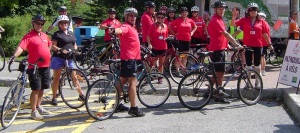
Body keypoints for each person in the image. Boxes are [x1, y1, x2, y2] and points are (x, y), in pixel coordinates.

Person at [9, 14, 51, 120]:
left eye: (41, 23)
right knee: (36, 89)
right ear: (33, 23)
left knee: (42, 88)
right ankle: (33, 111)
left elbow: (49, 44)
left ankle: (38, 106)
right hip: (34, 66)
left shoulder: (45, 36)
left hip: (45, 66)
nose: (40, 25)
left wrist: (48, 53)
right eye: (37, 23)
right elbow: (21, 47)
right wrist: (14, 56)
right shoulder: (28, 36)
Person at [109, 7, 145, 117]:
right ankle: (133, 108)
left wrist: (141, 48)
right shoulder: (126, 26)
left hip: (130, 58)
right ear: (126, 17)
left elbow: (132, 41)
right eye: (130, 15)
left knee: (122, 81)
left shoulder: (133, 28)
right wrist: (114, 30)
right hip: (130, 59)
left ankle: (116, 104)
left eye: (134, 16)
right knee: (133, 82)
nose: (133, 17)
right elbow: (120, 30)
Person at [231, 3, 273, 87]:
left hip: (258, 45)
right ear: (248, 11)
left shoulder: (262, 21)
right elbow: (233, 24)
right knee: (248, 65)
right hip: (248, 45)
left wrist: (269, 44)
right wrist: (233, 16)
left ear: (257, 11)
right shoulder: (244, 20)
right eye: (251, 10)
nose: (253, 12)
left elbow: (264, 34)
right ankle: (248, 82)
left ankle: (257, 81)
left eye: (255, 10)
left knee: (257, 65)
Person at [207, 1, 242, 103]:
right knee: (220, 73)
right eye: (220, 9)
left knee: (218, 72)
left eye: (223, 9)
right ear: (215, 9)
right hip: (217, 49)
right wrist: (236, 44)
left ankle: (209, 91)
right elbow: (225, 34)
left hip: (220, 47)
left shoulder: (220, 19)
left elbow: (221, 36)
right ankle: (219, 95)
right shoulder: (215, 20)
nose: (222, 10)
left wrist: (227, 45)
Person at [50, 15, 85, 106]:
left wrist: (75, 50)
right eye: (61, 23)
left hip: (69, 57)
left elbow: (74, 44)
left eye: (65, 23)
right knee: (57, 78)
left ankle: (81, 94)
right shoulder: (57, 34)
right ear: (59, 24)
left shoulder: (70, 33)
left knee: (74, 76)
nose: (64, 24)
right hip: (59, 57)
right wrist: (60, 49)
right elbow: (53, 46)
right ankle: (54, 97)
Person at [169, 7, 197, 77]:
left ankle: (183, 69)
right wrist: (174, 34)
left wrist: (192, 32)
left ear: (187, 13)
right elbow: (169, 26)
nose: (184, 13)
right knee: (179, 56)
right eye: (182, 12)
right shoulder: (178, 20)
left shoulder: (190, 20)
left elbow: (195, 26)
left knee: (185, 55)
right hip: (180, 40)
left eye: (185, 12)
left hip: (187, 39)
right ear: (180, 13)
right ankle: (177, 71)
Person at [147, 11, 168, 78]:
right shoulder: (152, 26)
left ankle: (160, 77)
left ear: (164, 19)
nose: (160, 19)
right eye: (158, 17)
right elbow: (148, 36)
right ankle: (152, 75)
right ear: (156, 18)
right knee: (153, 63)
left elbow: (166, 36)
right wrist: (149, 44)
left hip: (163, 47)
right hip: (154, 47)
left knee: (161, 64)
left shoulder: (165, 26)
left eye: (162, 18)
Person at [258, 12, 270, 76]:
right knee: (263, 56)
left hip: (262, 42)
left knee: (261, 57)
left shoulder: (262, 23)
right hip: (265, 42)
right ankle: (263, 70)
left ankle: (261, 71)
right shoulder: (266, 23)